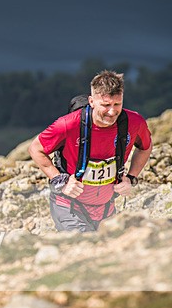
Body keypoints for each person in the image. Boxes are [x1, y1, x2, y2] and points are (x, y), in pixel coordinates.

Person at [28, 70, 153, 231]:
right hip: (69, 206)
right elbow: (35, 149)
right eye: (106, 105)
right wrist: (60, 180)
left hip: (107, 208)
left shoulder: (134, 122)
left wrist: (131, 178)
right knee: (84, 247)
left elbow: (146, 147)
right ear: (92, 101)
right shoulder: (68, 124)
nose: (112, 111)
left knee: (110, 253)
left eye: (117, 104)